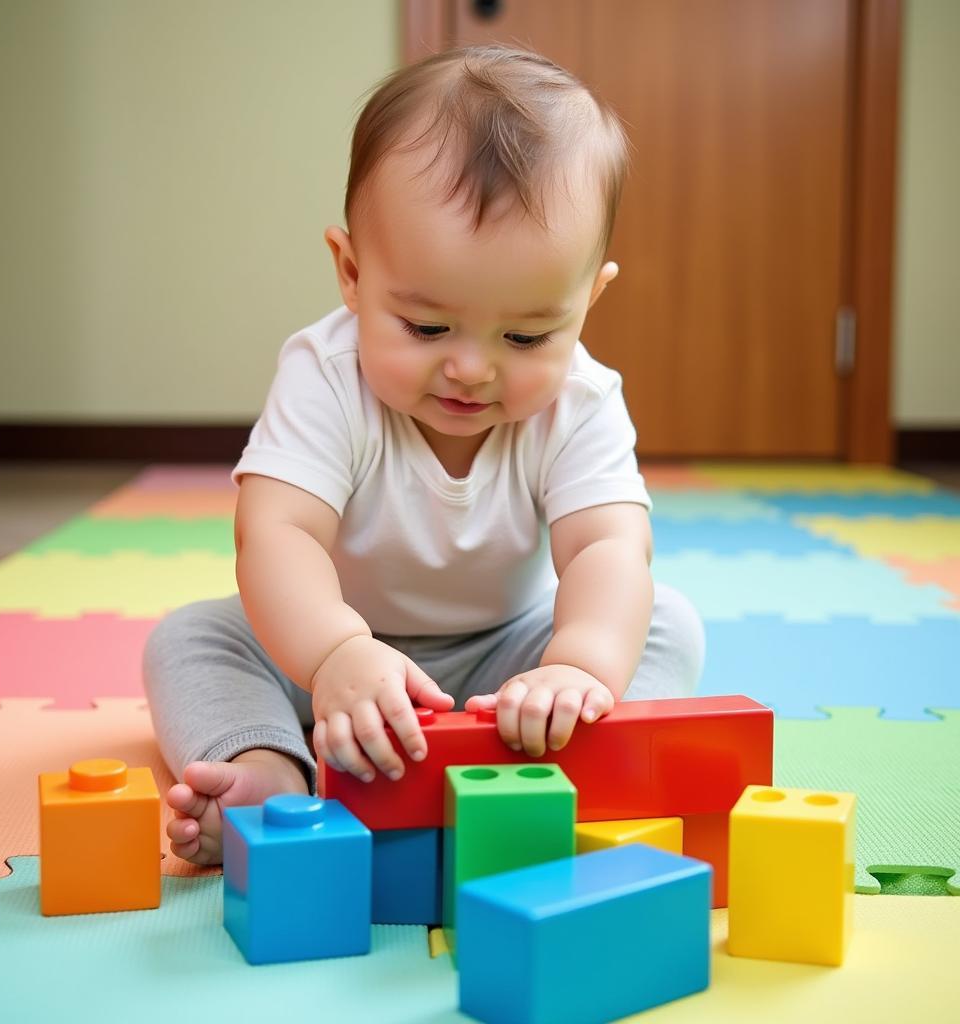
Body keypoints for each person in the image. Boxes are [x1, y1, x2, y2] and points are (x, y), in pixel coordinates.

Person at [144, 44, 705, 866]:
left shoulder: (582, 399)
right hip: (331, 646)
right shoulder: (326, 375)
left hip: (510, 650)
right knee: (190, 640)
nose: (471, 368)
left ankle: (575, 754)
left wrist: (576, 667)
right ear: (352, 271)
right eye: (428, 328)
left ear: (589, 300)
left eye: (525, 335)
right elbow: (277, 534)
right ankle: (267, 772)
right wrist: (336, 652)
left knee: (660, 622)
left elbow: (609, 546)